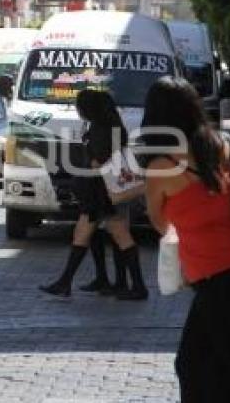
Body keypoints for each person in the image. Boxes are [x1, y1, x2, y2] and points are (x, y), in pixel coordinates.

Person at [142, 76, 230, 402]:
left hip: (219, 279)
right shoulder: (221, 145)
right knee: (193, 364)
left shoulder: (162, 166)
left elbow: (160, 224)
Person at [39, 89, 148, 300]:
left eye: (80, 107)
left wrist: (86, 163)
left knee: (99, 234)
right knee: (109, 234)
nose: (78, 111)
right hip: (104, 193)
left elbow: (97, 161)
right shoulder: (115, 128)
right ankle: (69, 282)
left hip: (100, 193)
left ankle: (66, 282)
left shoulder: (100, 130)